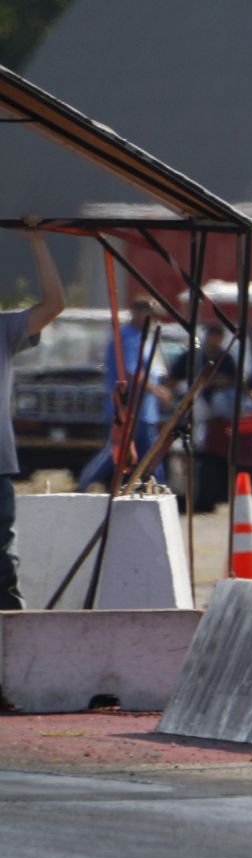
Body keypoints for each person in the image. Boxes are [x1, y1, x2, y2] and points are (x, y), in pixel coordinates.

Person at [1, 217, 65, 609]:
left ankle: (10, 634)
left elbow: (54, 305)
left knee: (1, 568)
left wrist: (37, 243)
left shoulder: (3, 329)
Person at [77, 294, 171, 491]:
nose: (155, 321)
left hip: (144, 411)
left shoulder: (142, 338)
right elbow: (131, 372)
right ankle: (83, 485)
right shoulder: (129, 337)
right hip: (128, 409)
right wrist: (157, 391)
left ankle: (158, 489)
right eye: (151, 315)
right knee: (116, 451)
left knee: (150, 455)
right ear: (138, 313)